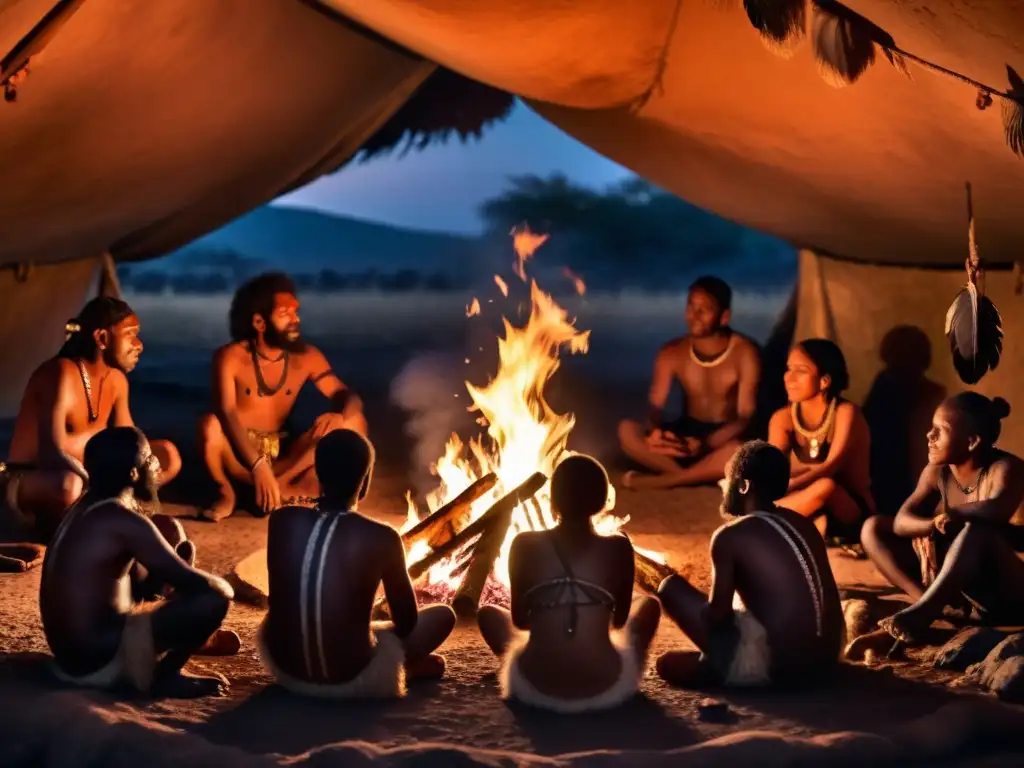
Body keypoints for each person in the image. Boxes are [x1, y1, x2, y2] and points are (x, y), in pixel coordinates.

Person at [40, 427, 236, 698]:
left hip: (73, 655)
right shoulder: (121, 520)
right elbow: (193, 582)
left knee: (169, 535)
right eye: (149, 457)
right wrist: (217, 585)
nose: (155, 464)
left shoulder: (87, 505)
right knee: (215, 598)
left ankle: (171, 642)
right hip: (97, 660)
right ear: (133, 474)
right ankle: (163, 678)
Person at [260, 429, 455, 698]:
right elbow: (407, 623)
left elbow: (278, 602)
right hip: (353, 677)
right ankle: (404, 671)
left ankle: (388, 660)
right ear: (364, 484)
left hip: (286, 668)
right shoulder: (383, 537)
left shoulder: (281, 520)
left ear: (317, 474)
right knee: (443, 616)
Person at [477, 455, 661, 713]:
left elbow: (519, 621)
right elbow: (618, 622)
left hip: (531, 688)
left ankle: (547, 664)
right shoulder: (619, 546)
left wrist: (553, 616)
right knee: (649, 605)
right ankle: (614, 674)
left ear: (553, 499)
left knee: (489, 614)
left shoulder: (523, 544)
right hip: (609, 689)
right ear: (602, 500)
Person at [848, 394, 1024, 658]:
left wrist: (955, 515)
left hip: (1006, 593)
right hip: (959, 593)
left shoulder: (1005, 468)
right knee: (873, 527)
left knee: (977, 530)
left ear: (972, 442)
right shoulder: (937, 472)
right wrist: (931, 524)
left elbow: (997, 509)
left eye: (940, 431)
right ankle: (926, 605)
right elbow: (900, 522)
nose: (929, 435)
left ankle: (923, 614)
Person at [657, 440, 844, 688]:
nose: (724, 489)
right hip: (827, 660)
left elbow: (717, 617)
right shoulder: (804, 525)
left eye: (727, 481)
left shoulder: (729, 535)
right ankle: (722, 666)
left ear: (744, 486)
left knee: (670, 592)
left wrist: (695, 607)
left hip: (778, 668)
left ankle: (731, 670)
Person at [1, 297, 181, 546]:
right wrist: (103, 484)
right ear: (103, 339)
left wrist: (143, 467)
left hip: (90, 480)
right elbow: (51, 451)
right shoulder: (61, 372)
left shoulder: (117, 381)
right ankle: (67, 531)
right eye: (130, 335)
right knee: (68, 486)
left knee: (168, 456)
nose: (139, 345)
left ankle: (109, 516)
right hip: (37, 479)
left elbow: (130, 441)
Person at [198, 272, 367, 521]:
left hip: (283, 457)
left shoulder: (307, 357)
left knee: (352, 423)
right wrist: (257, 465)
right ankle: (227, 493)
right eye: (284, 314)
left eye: (295, 312)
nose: (295, 320)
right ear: (259, 323)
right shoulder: (230, 357)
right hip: (237, 455)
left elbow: (346, 394)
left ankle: (278, 488)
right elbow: (227, 412)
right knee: (209, 424)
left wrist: (339, 412)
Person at [618, 276, 760, 491]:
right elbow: (655, 406)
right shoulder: (672, 352)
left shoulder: (745, 353)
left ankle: (669, 479)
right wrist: (656, 431)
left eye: (706, 309)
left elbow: (745, 417)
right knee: (627, 431)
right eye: (691, 306)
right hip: (686, 436)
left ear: (724, 317)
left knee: (739, 451)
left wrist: (706, 444)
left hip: (722, 438)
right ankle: (696, 476)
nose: (696, 315)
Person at [768, 338, 874, 549]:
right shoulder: (782, 418)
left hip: (848, 509)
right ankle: (780, 519)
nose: (790, 378)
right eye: (788, 369)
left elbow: (830, 467)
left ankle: (761, 516)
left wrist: (791, 484)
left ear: (825, 381)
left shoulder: (846, 413)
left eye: (801, 370)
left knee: (825, 486)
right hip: (807, 503)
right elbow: (772, 471)